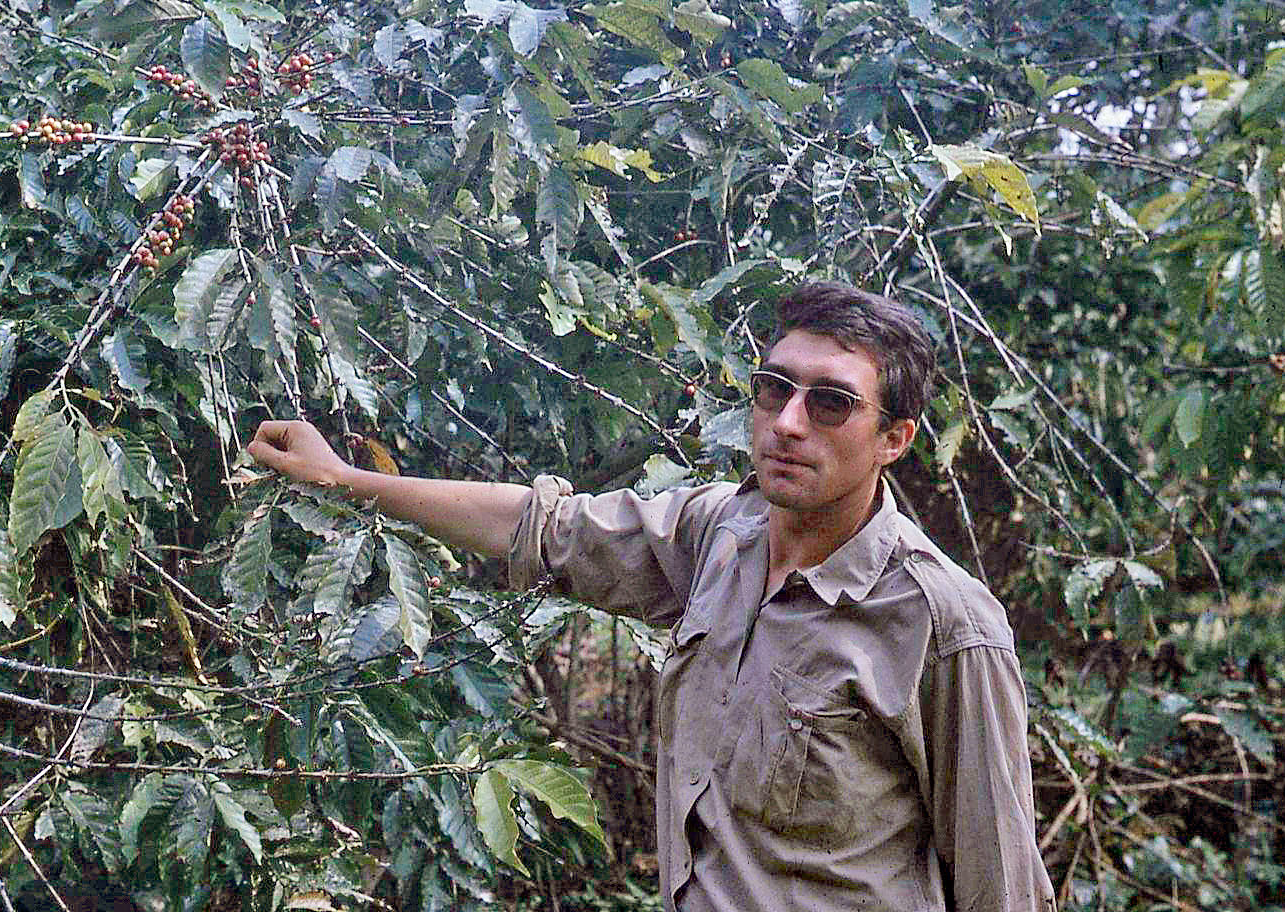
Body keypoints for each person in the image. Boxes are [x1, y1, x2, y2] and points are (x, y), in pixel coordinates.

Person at [245, 280, 1056, 912]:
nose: (789, 422)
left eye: (832, 402)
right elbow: (544, 526)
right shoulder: (719, 538)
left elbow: (1002, 882)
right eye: (775, 389)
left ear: (895, 439)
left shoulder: (941, 622)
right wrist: (345, 481)